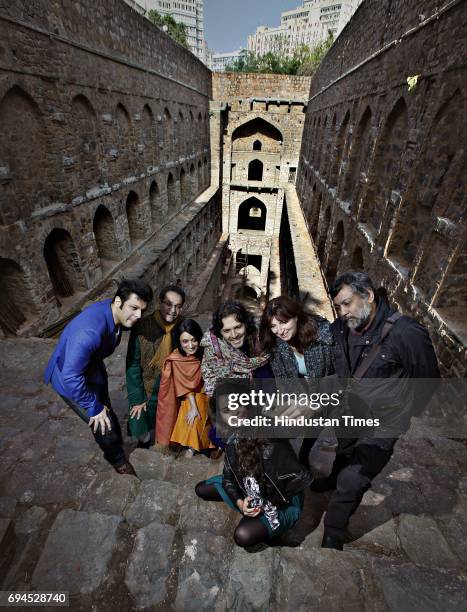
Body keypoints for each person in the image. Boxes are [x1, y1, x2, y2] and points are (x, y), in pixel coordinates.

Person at [317, 270, 440, 550]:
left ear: (368, 295)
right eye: (339, 306)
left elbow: (428, 381)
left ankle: (334, 529)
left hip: (382, 424)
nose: (343, 311)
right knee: (342, 453)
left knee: (353, 480)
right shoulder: (343, 327)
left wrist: (402, 412)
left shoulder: (406, 333)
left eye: (347, 303)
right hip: (350, 414)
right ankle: (332, 478)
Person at [44, 278, 153, 475]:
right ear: (118, 302)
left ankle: (116, 441)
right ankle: (118, 461)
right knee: (104, 423)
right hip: (72, 381)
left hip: (92, 370)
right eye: (134, 308)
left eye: (142, 310)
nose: (138, 315)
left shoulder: (113, 312)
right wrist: (93, 407)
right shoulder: (89, 332)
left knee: (106, 407)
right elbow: (70, 376)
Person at [259, 295, 336, 477]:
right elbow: (283, 379)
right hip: (301, 390)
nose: (279, 330)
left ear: (296, 317)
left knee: (317, 427)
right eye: (273, 326)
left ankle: (305, 454)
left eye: (283, 322)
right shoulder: (276, 346)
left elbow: (339, 374)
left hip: (327, 389)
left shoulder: (324, 336)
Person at [195, 434, 313, 547]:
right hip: (246, 485)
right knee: (201, 489)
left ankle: (273, 531)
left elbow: (293, 483)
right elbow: (228, 479)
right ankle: (253, 516)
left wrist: (257, 504)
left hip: (279, 501)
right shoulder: (232, 439)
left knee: (243, 535)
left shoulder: (274, 442)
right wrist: (240, 504)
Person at [200, 301, 270, 455]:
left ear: (246, 324)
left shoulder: (259, 344)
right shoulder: (214, 351)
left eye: (238, 327)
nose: (234, 335)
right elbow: (215, 390)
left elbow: (268, 387)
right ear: (220, 332)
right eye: (227, 330)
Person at [125, 284, 185, 449]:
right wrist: (137, 398)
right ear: (159, 302)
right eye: (168, 304)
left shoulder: (183, 328)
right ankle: (143, 443)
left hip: (171, 386)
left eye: (178, 306)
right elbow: (133, 364)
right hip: (147, 385)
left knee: (167, 422)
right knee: (142, 422)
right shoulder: (142, 327)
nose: (172, 310)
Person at [156, 319, 214, 456]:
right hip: (188, 395)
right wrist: (193, 407)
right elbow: (184, 386)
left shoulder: (206, 352)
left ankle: (198, 446)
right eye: (185, 341)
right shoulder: (176, 359)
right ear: (179, 342)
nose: (190, 345)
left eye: (194, 340)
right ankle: (191, 446)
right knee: (193, 413)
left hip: (208, 391)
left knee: (201, 410)